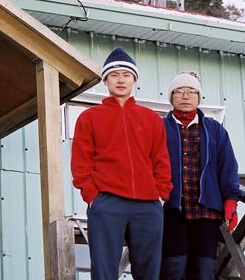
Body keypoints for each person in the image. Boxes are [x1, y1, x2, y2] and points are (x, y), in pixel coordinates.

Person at [71, 46, 172, 280]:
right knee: (104, 270)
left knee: (149, 271)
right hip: (107, 202)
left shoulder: (151, 119)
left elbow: (161, 160)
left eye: (126, 75)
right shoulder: (89, 117)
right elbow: (81, 162)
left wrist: (161, 194)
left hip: (148, 204)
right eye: (114, 75)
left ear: (134, 80)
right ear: (105, 80)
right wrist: (92, 196)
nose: (120, 80)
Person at [161, 71, 242, 280]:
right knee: (173, 268)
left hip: (206, 211)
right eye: (179, 91)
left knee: (204, 270)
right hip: (170, 209)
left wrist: (231, 201)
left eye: (191, 91)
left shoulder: (214, 130)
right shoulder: (159, 128)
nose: (185, 96)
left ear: (199, 97)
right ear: (171, 97)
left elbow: (227, 166)